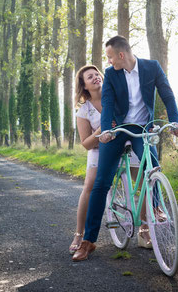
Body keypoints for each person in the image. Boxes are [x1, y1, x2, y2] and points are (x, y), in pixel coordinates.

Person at [72, 35, 178, 262]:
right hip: (118, 129)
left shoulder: (152, 68)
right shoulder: (112, 74)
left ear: (121, 55)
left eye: (111, 57)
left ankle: (154, 208)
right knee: (101, 182)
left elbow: (167, 94)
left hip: (142, 128)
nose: (109, 62)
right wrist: (106, 131)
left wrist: (174, 121)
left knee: (152, 169)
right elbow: (109, 103)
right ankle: (88, 241)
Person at [69, 65, 146, 255]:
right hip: (99, 148)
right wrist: (101, 130)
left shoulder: (117, 97)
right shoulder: (84, 111)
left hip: (125, 142)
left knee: (145, 178)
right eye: (90, 77)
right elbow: (86, 144)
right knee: (90, 185)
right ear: (84, 85)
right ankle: (80, 234)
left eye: (97, 74)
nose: (96, 77)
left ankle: (144, 230)